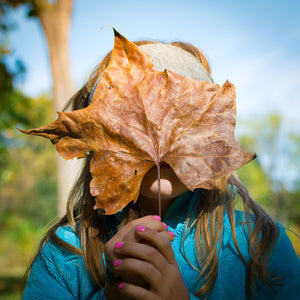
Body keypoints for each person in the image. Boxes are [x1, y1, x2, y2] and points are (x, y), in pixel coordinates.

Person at [22, 35, 300, 300]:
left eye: (183, 123)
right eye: (134, 124)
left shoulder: (260, 244)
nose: (160, 141)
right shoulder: (66, 253)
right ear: (98, 139)